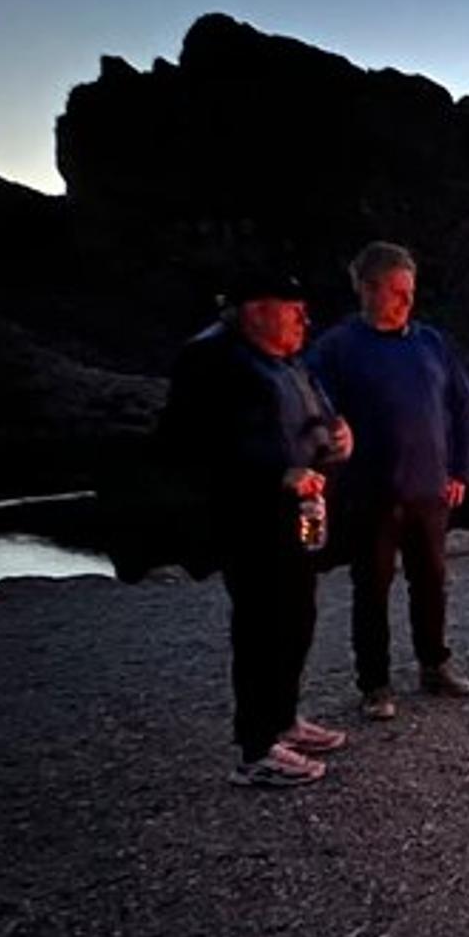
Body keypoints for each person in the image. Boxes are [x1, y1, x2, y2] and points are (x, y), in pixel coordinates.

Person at [161, 270, 353, 788]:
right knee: (261, 626)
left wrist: (337, 433)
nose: (304, 320)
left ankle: (283, 719)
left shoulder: (285, 359)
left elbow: (314, 410)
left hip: (299, 513)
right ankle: (256, 749)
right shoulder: (211, 361)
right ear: (256, 310)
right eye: (293, 310)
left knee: (297, 616)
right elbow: (191, 443)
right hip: (248, 518)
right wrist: (275, 474)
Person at [307, 242, 469, 721]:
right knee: (372, 588)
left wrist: (460, 469)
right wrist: (330, 435)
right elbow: (312, 402)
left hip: (429, 489)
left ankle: (434, 664)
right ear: (368, 289)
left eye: (411, 291)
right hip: (370, 492)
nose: (407, 300)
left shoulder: (430, 344)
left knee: (431, 582)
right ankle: (375, 683)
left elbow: (463, 407)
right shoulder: (339, 348)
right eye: (397, 291)